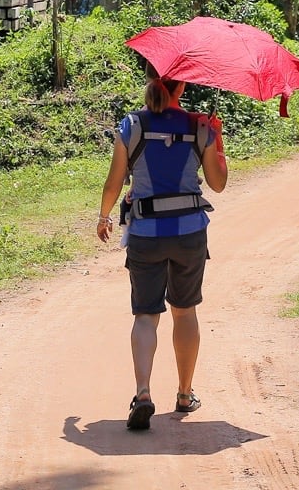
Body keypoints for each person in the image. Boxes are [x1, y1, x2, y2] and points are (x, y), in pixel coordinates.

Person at [96, 68, 228, 430]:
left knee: (145, 315)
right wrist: (218, 143)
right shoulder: (200, 126)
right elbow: (217, 184)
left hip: (145, 233)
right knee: (184, 313)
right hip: (189, 233)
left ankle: (142, 393)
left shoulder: (132, 125)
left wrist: (104, 216)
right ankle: (185, 395)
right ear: (182, 85)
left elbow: (113, 180)